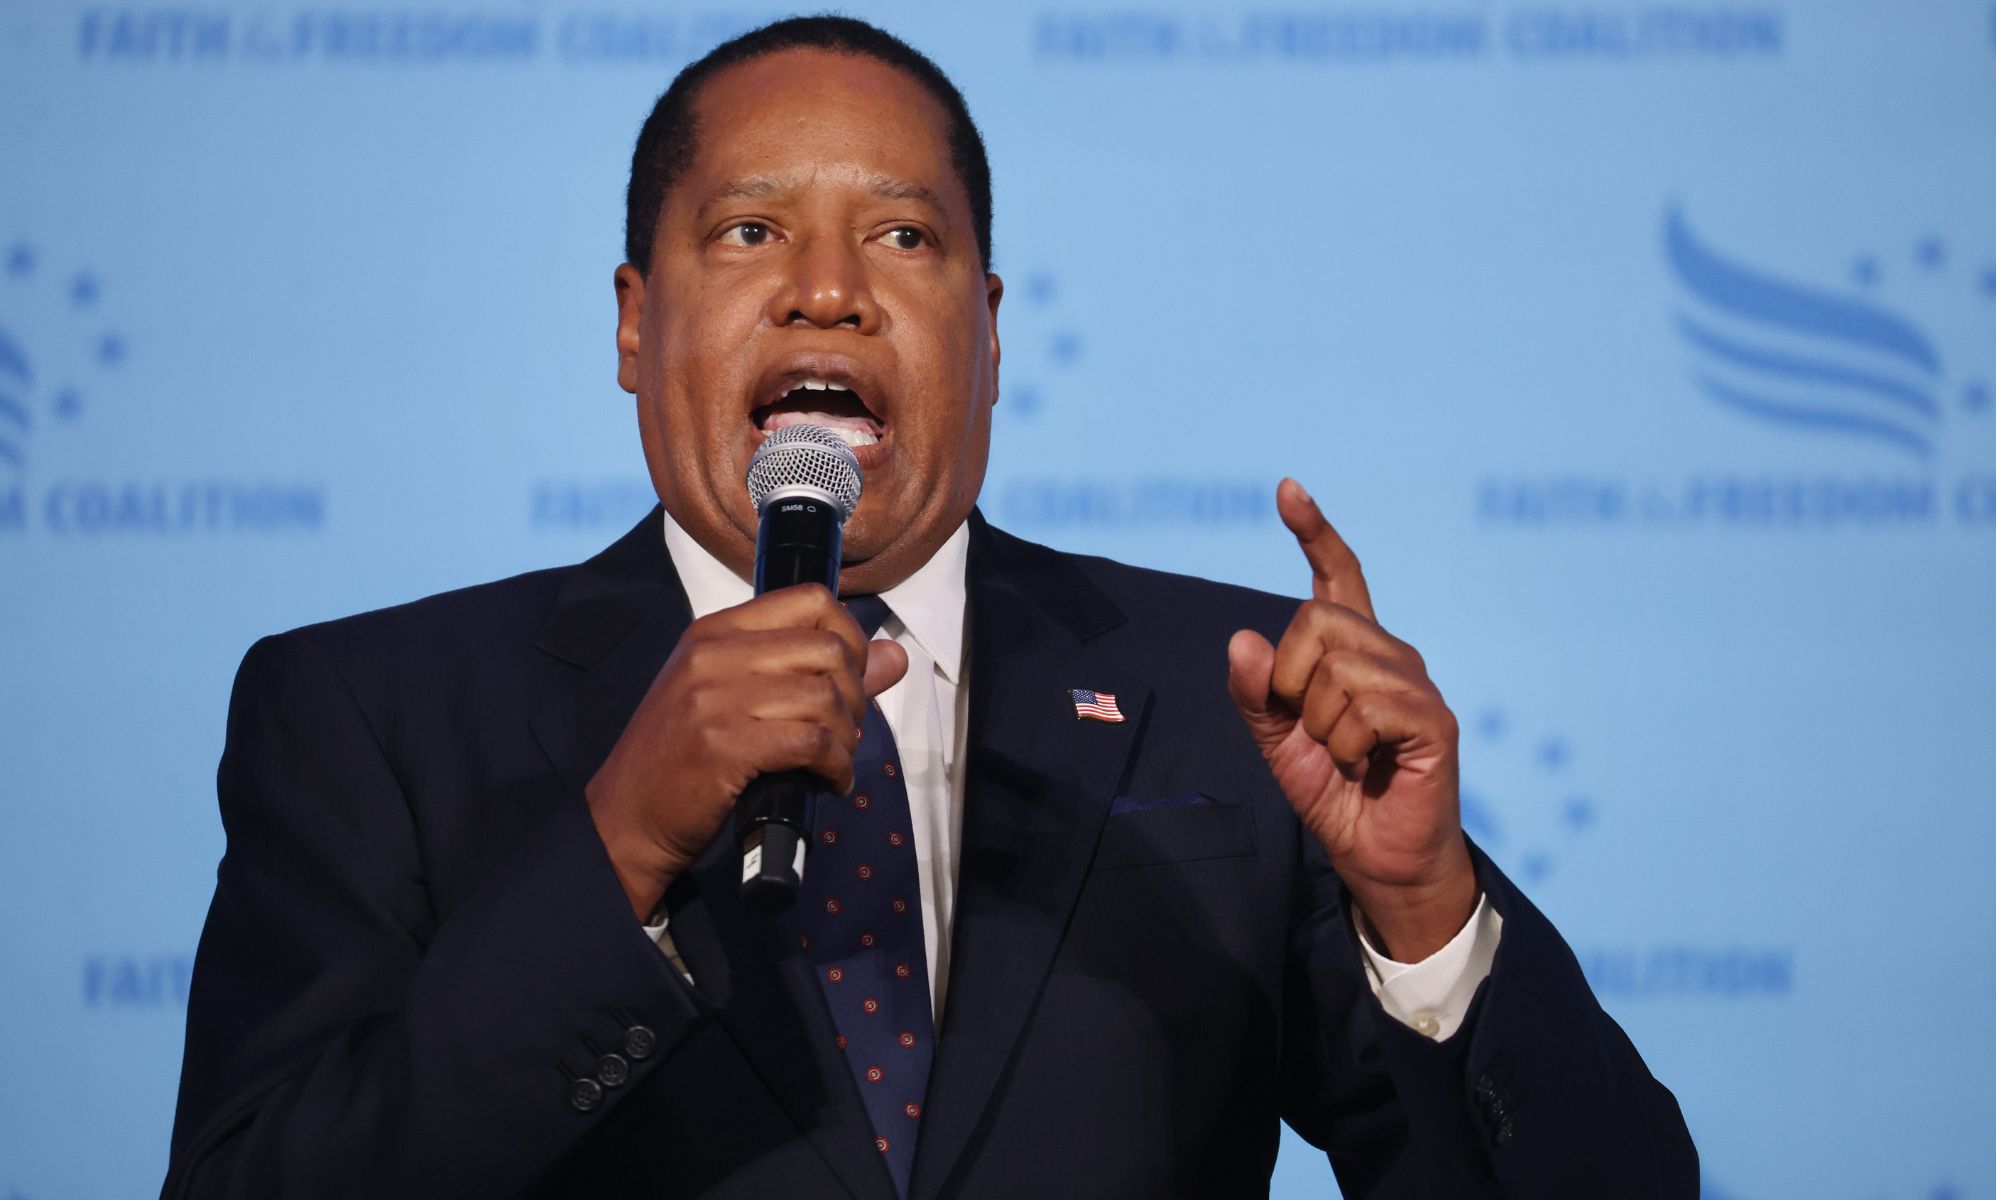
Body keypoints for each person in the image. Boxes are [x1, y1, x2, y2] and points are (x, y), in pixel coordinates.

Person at [163, 15, 1695, 1199]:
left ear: (991, 331)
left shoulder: (1233, 698)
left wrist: (1422, 914)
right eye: (750, 231)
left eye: (904, 237)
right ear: (636, 324)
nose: (829, 290)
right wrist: (618, 847)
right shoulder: (371, 715)